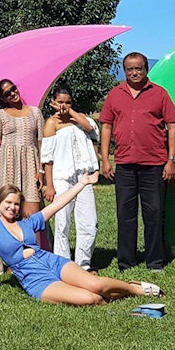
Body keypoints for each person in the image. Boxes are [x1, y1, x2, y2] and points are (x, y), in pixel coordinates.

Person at [0, 177, 163, 305]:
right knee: (91, 298)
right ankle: (114, 294)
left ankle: (133, 288)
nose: (12, 207)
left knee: (97, 286)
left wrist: (82, 183)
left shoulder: (29, 222)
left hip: (53, 262)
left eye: (16, 203)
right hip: (35, 279)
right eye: (8, 202)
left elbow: (58, 203)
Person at [99, 52, 175, 272]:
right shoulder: (115, 94)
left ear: (146, 69)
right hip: (124, 165)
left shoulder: (160, 93)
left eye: (138, 68)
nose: (134, 72)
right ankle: (126, 262)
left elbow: (172, 126)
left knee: (154, 214)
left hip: (154, 164)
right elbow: (106, 126)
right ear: (124, 70)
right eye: (129, 69)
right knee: (125, 215)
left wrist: (171, 159)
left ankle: (155, 261)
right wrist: (105, 159)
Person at [41, 86, 100, 268]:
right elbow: (47, 157)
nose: (63, 106)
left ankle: (84, 263)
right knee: (62, 223)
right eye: (60, 102)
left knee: (89, 223)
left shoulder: (79, 119)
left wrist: (72, 112)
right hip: (62, 178)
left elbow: (90, 128)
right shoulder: (52, 123)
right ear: (53, 102)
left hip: (83, 177)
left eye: (67, 102)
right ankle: (63, 263)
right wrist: (49, 184)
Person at [0, 79, 47, 248]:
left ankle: (35, 257)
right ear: (3, 98)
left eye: (13, 89)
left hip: (30, 164)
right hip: (6, 165)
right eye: (7, 93)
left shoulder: (35, 113)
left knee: (32, 216)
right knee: (7, 215)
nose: (13, 93)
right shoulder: (0, 115)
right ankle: (10, 258)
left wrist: (41, 170)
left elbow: (42, 143)